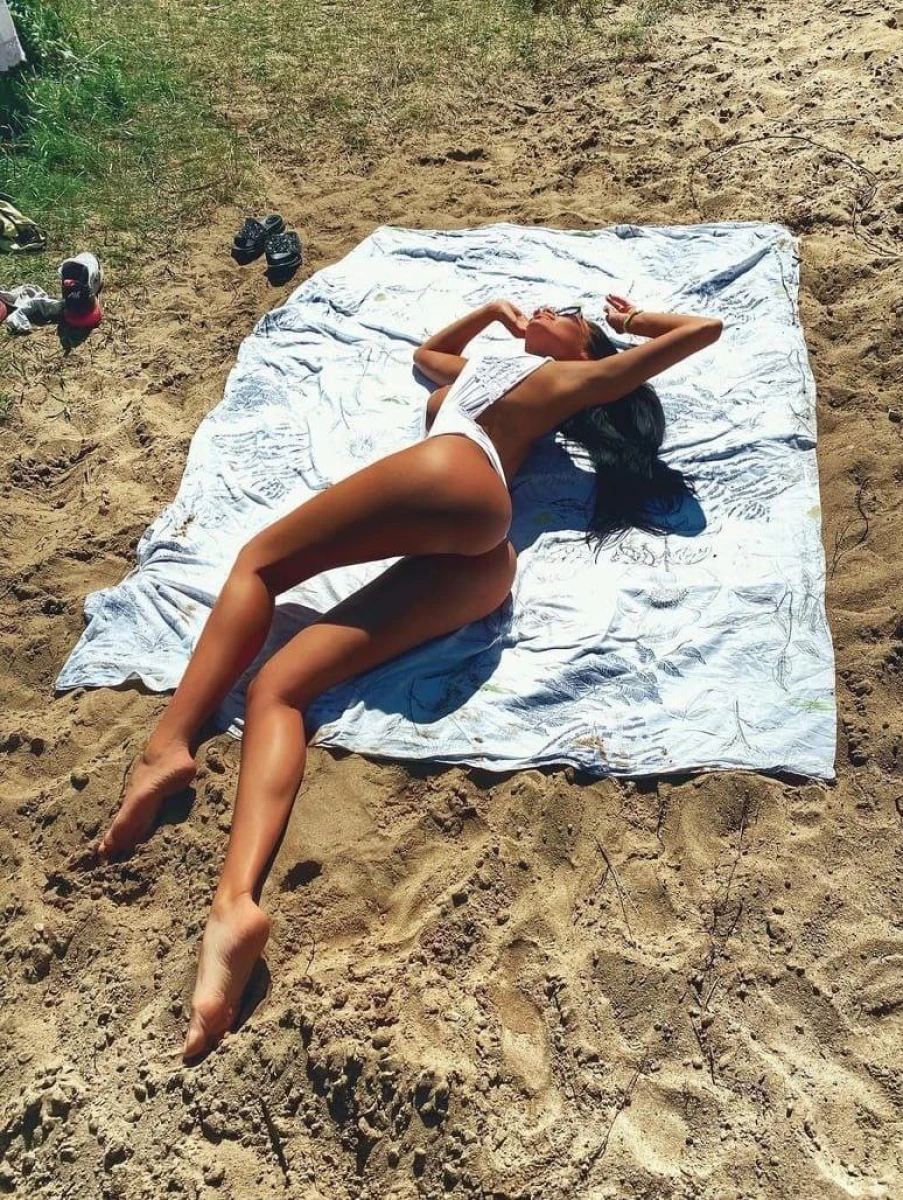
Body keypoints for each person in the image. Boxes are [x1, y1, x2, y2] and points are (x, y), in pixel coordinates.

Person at [95, 293, 722, 1058]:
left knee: (259, 564)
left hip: (453, 477)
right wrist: (488, 312)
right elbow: (427, 356)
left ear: (585, 348)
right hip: (484, 560)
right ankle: (234, 906)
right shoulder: (502, 370)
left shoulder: (566, 379)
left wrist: (628, 325)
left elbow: (702, 331)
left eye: (566, 311)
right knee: (278, 689)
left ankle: (168, 744)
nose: (545, 305)